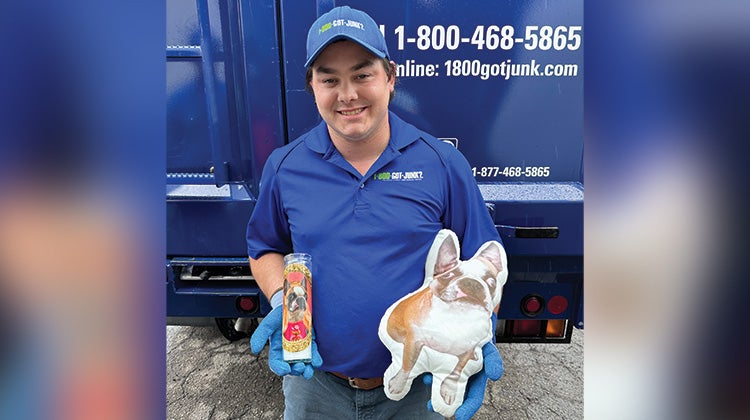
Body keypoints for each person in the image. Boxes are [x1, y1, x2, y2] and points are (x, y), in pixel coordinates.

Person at [246, 6, 504, 419]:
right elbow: (264, 248)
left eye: (362, 75)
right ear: (312, 87)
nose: (347, 94)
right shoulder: (285, 166)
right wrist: (282, 302)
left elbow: (486, 266)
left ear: (390, 78)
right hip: (315, 384)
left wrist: (474, 339)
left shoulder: (442, 164)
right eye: (329, 79)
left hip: (415, 391)